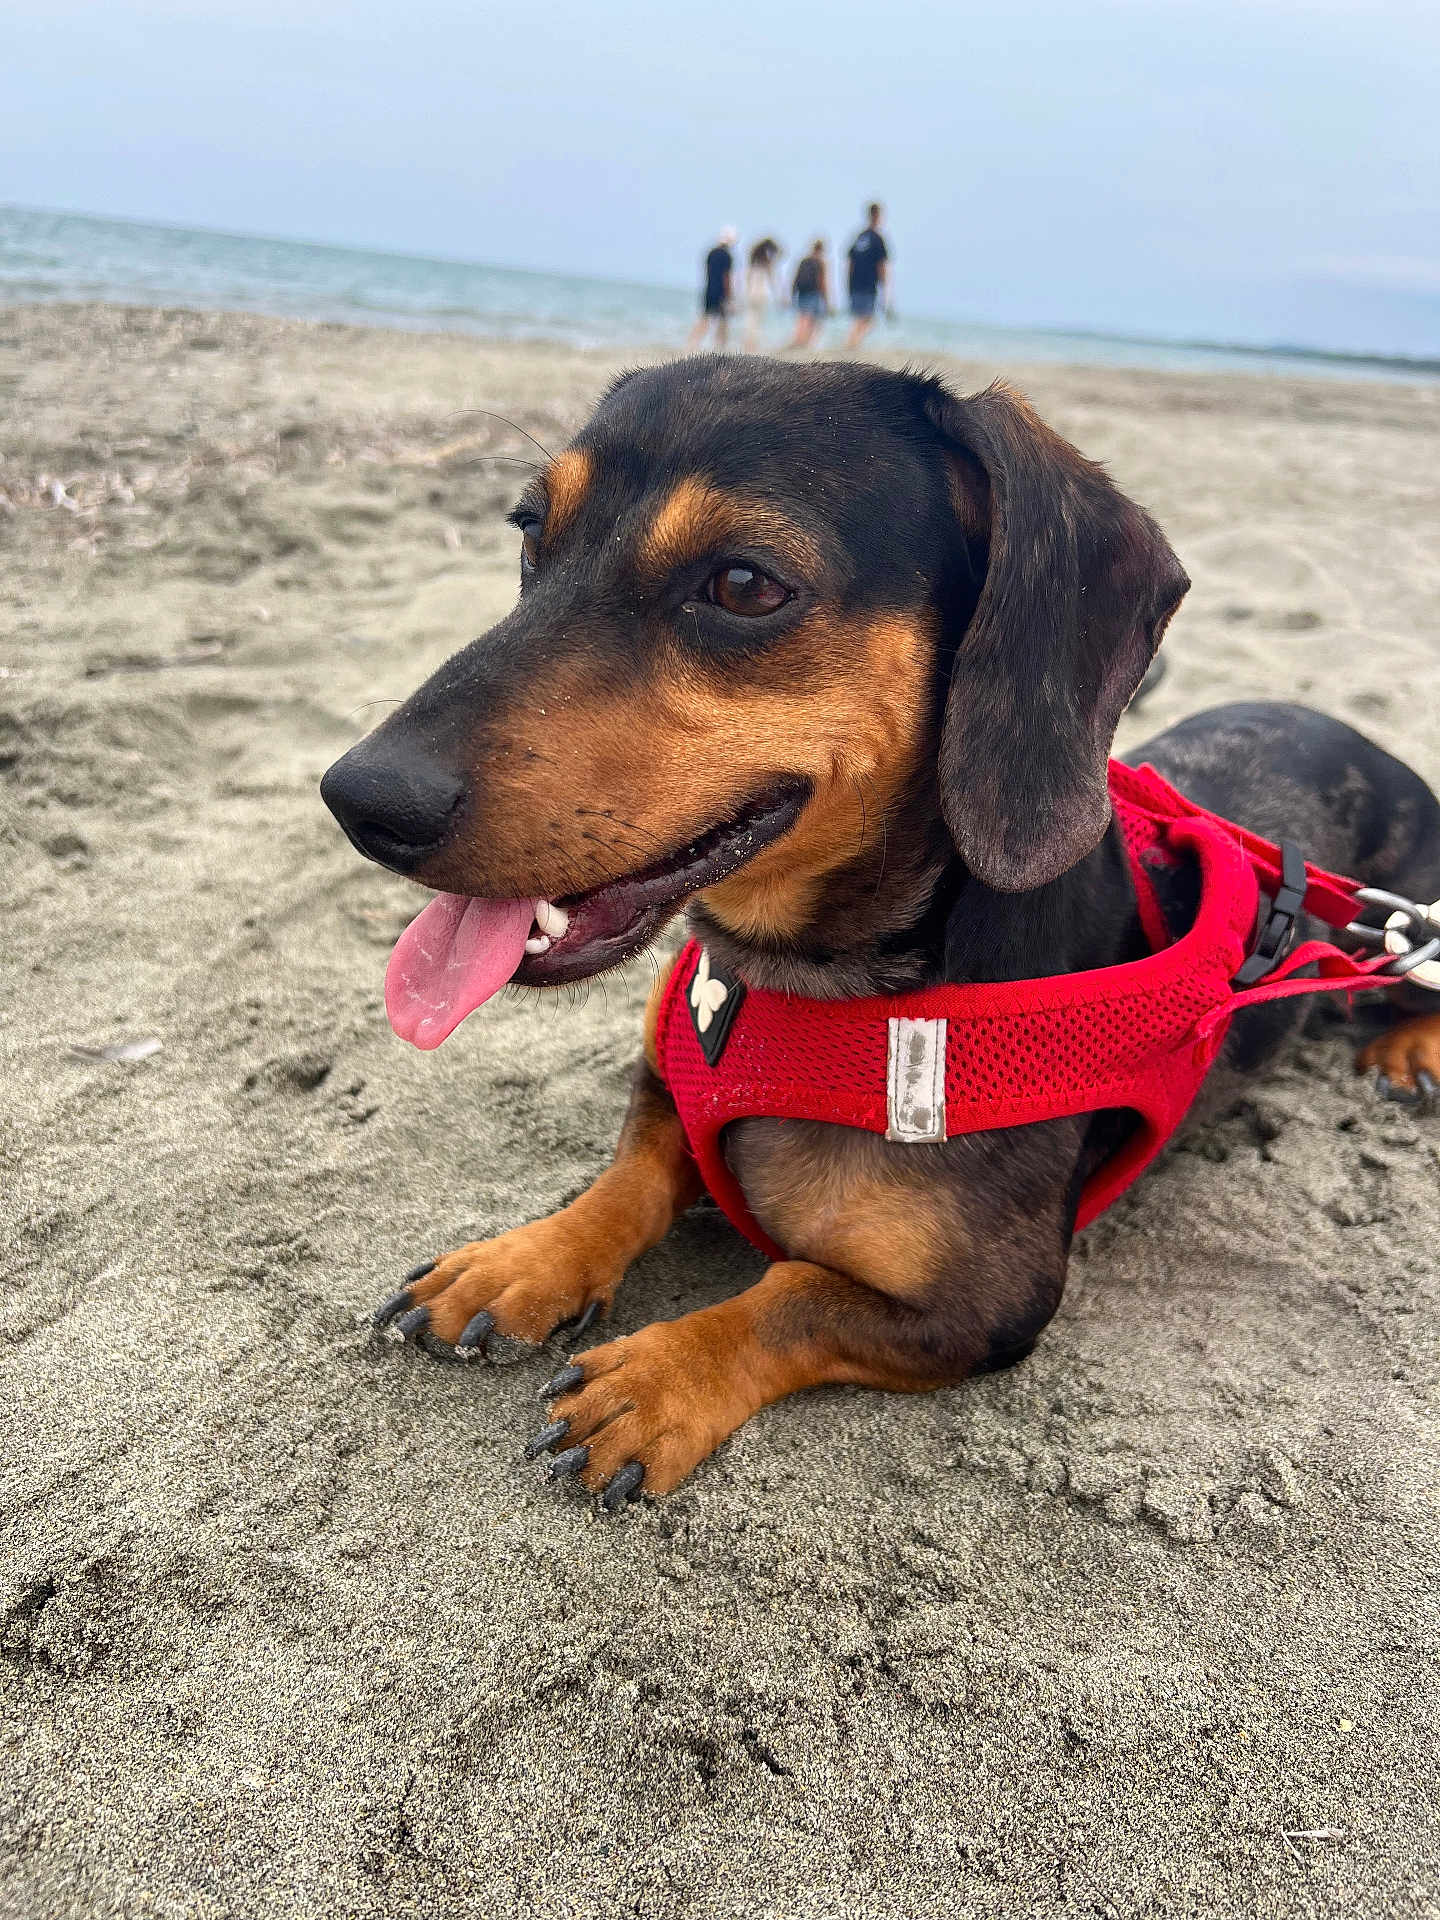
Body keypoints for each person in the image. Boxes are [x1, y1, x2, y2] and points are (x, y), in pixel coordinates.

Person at [844, 202, 890, 349]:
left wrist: (848, 284)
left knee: (859, 318)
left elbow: (849, 262)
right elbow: (881, 265)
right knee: (868, 319)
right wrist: (885, 286)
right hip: (869, 285)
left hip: (855, 283)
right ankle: (852, 343)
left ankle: (852, 342)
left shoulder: (859, 237)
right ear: (877, 215)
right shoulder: (877, 239)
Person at [687, 226, 737, 351]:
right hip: (721, 293)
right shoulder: (727, 256)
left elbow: (707, 272)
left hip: (709, 290)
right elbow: (727, 277)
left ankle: (692, 343)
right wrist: (730, 295)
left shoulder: (711, 253)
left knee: (705, 318)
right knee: (723, 322)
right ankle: (720, 347)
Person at [784, 239, 829, 351]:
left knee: (802, 318)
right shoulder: (820, 262)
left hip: (802, 293)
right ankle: (806, 343)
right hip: (814, 293)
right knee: (812, 320)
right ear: (821, 249)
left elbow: (795, 278)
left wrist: (792, 294)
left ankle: (798, 341)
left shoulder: (804, 261)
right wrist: (826, 299)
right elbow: (822, 282)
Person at [742, 237, 782, 352]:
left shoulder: (753, 263)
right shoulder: (766, 264)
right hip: (761, 294)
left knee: (750, 320)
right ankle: (753, 346)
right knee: (758, 321)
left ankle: (748, 345)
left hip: (751, 294)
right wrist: (779, 295)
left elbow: (747, 280)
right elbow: (772, 280)